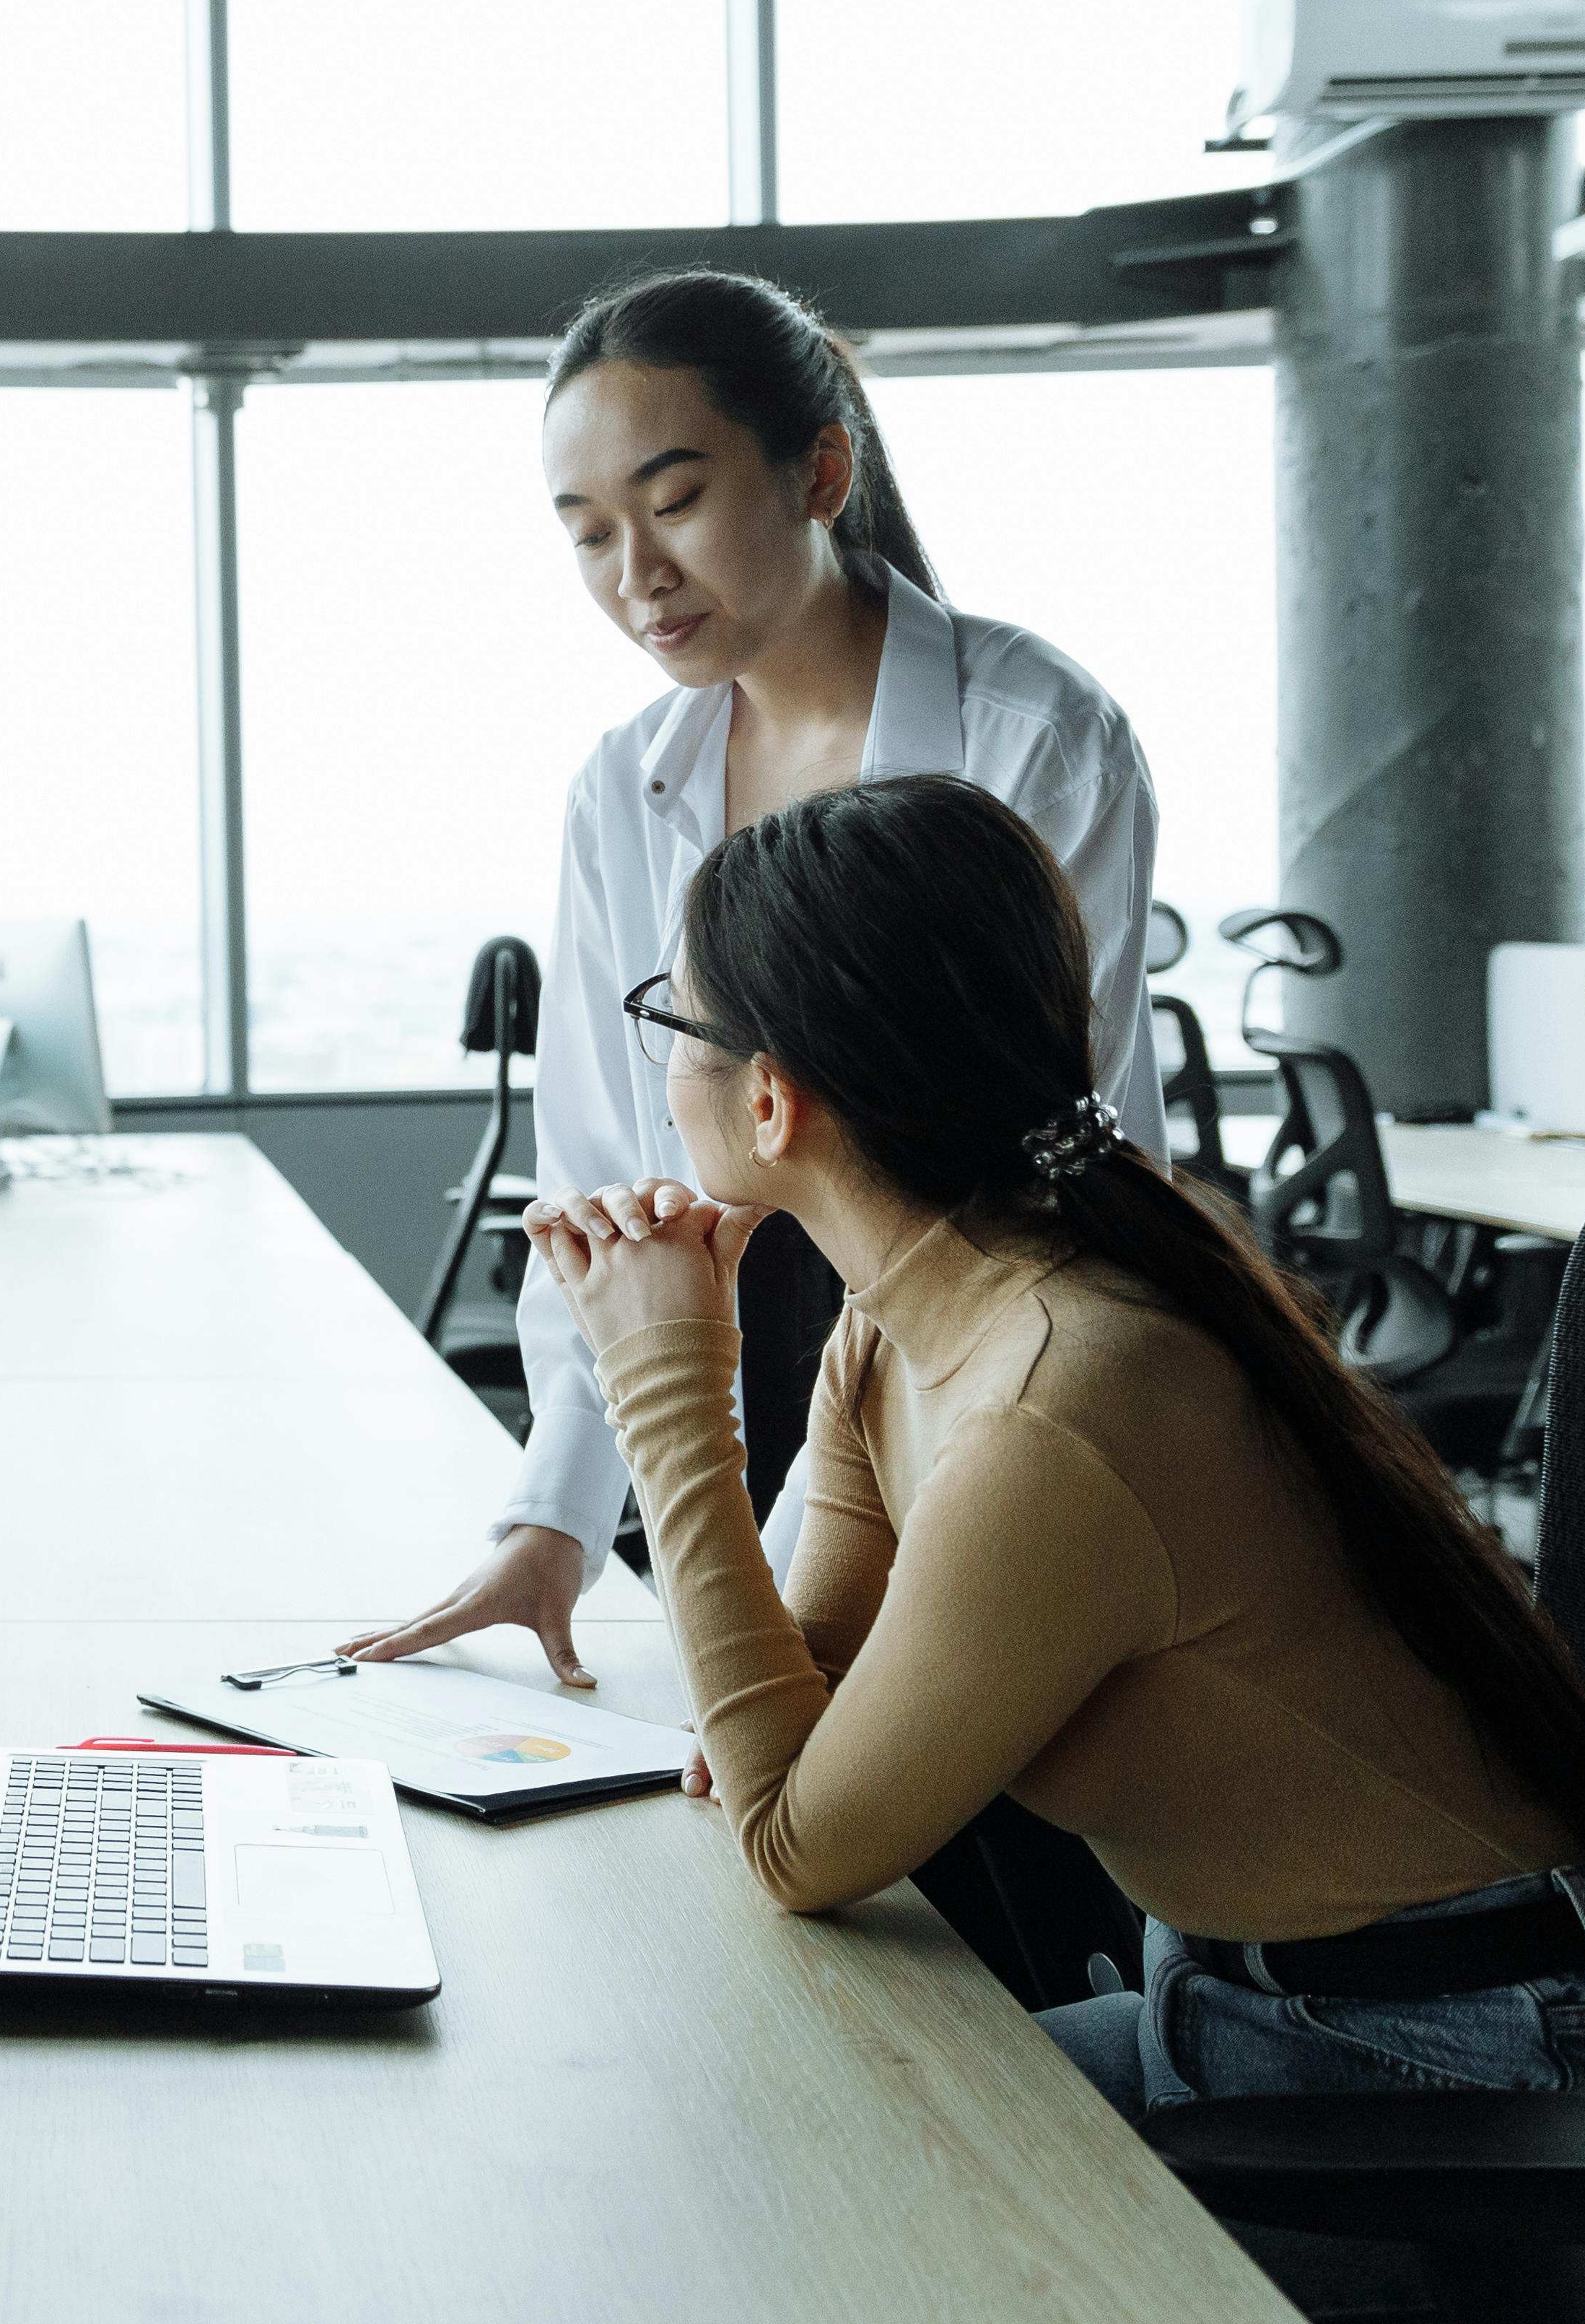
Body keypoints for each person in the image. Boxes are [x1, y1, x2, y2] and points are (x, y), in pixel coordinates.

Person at [528, 771, 1585, 2324]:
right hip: (1241, 2029)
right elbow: (790, 1710)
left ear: (772, 1101)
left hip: (1483, 2140)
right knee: (723, 2162)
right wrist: (712, 1402)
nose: (651, 1057)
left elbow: (795, 1838)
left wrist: (667, 1385)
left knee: (799, 2274)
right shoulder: (907, 1328)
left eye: (670, 1016)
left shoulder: (1056, 1401)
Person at [346, 269, 1163, 1704]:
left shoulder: (1034, 739)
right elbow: (600, 1177)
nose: (633, 571)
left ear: (820, 472)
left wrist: (790, 1588)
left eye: (672, 501)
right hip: (728, 1349)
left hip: (990, 1372)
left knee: (882, 1862)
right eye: (588, 531)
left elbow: (1001, 1194)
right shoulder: (625, 782)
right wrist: (553, 1518)